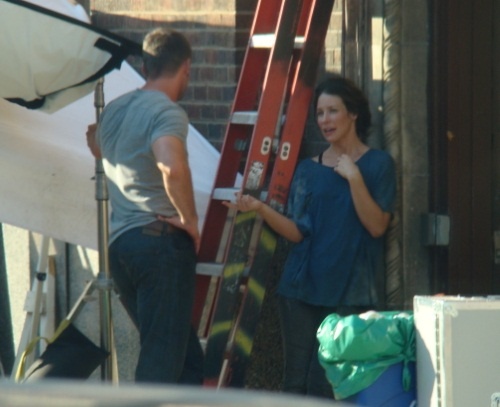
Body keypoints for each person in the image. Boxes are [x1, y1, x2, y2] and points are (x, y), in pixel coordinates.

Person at [224, 74, 396, 398]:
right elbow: (297, 232)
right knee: (294, 385)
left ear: (353, 113)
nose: (325, 120)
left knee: (325, 386)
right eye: (320, 113)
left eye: (332, 111)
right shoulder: (307, 170)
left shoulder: (378, 164)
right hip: (301, 291)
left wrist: (354, 178)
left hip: (350, 295)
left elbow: (376, 226)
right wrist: (259, 208)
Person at [85, 27, 204, 384]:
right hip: (159, 244)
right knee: (161, 365)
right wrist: (190, 220)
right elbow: (171, 166)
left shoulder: (114, 110)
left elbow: (98, 147)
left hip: (121, 247)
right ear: (186, 67)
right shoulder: (166, 111)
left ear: (145, 66)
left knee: (188, 363)